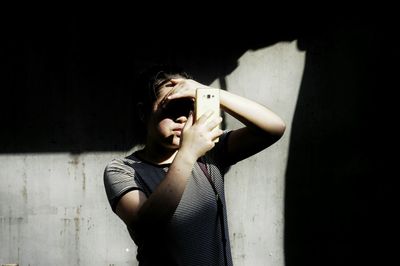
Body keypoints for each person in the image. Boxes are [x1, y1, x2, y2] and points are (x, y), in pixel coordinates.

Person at [103, 64, 286, 266]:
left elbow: (274, 128)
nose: (182, 117)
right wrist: (188, 152)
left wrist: (209, 93)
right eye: (171, 107)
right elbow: (145, 226)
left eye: (188, 107)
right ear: (143, 112)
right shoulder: (123, 169)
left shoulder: (210, 153)